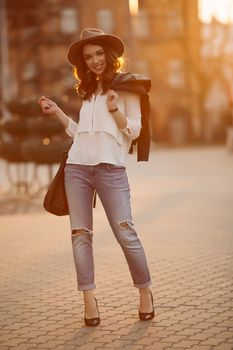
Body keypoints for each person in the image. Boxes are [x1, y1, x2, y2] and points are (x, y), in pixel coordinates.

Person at [38, 28, 154, 327]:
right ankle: (89, 301)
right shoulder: (88, 92)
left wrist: (115, 109)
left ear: (109, 54)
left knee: (125, 233)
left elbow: (135, 130)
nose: (94, 61)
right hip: (77, 168)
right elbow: (82, 135)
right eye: (88, 57)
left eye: (99, 54)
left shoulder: (129, 86)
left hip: (110, 170)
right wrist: (60, 114)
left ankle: (145, 292)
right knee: (80, 236)